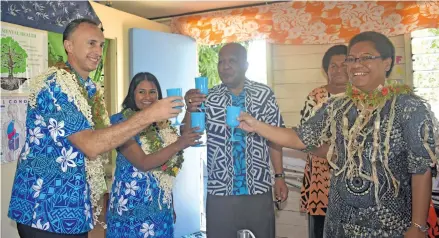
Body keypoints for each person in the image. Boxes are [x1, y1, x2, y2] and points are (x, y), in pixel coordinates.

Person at [237, 31, 438, 238]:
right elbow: (300, 137)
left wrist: (418, 225)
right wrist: (257, 126)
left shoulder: (408, 108)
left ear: (387, 63)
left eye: (366, 57)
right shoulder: (337, 106)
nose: (356, 64)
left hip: (389, 225)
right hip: (340, 223)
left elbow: (421, 169)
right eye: (351, 59)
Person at [8, 19, 182, 238]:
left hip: (76, 210)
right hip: (44, 208)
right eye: (91, 43)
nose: (98, 51)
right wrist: (149, 115)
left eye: (101, 45)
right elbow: (90, 144)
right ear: (69, 46)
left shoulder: (90, 90)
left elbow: (104, 141)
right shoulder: (54, 84)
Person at [183, 43, 288, 238]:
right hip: (220, 191)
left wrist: (279, 177)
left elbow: (276, 138)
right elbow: (189, 135)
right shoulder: (208, 98)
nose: (225, 66)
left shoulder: (264, 94)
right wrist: (190, 108)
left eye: (232, 61)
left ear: (245, 65)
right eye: (221, 62)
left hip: (258, 187)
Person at [106, 72, 201, 237]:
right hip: (130, 209)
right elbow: (143, 163)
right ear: (132, 94)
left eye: (152, 92)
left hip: (160, 208)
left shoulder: (161, 124)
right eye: (141, 91)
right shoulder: (121, 122)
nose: (147, 97)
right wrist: (180, 143)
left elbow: (177, 147)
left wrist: (190, 109)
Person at [299, 45, 348, 238]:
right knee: (320, 230)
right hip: (321, 176)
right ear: (326, 70)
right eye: (333, 66)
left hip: (353, 177)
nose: (338, 70)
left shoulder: (363, 95)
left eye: (343, 65)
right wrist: (328, 153)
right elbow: (303, 137)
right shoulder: (316, 96)